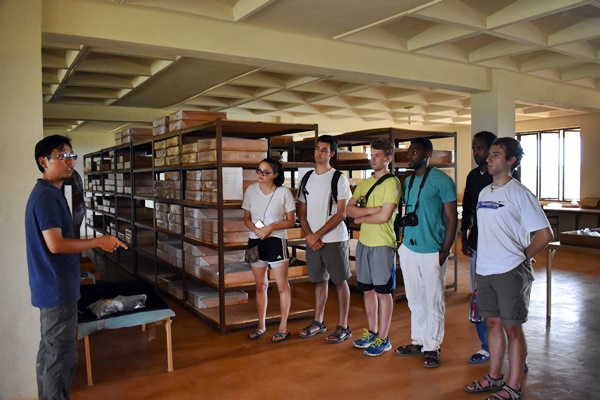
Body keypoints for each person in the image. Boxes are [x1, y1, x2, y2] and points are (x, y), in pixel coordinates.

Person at [26, 135, 127, 400]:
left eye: (71, 155)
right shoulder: (46, 197)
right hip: (56, 289)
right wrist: (99, 241)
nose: (70, 161)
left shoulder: (51, 194)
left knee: (50, 354)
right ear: (43, 162)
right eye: (61, 156)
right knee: (60, 359)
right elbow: (56, 244)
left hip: (53, 287)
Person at [464, 137, 552, 400]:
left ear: (511, 161)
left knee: (512, 328)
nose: (488, 158)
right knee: (492, 323)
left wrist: (522, 257)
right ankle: (494, 377)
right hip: (485, 270)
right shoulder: (484, 193)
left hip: (510, 271)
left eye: (496, 154)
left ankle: (513, 387)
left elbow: (544, 235)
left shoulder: (520, 193)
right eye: (489, 153)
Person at [395, 137, 457, 368]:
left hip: (433, 249)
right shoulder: (408, 181)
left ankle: (432, 346)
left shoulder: (442, 180)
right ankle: (419, 340)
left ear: (427, 154)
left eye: (415, 151)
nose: (409, 155)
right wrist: (401, 244)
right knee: (414, 298)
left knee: (433, 299)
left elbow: (452, 219)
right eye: (409, 151)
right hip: (409, 247)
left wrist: (444, 250)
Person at [346, 138, 401, 356]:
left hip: (382, 244)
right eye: (371, 155)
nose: (373, 159)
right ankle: (371, 331)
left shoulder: (392, 183)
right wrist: (372, 210)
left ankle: (384, 338)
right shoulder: (364, 184)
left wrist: (361, 218)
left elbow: (385, 216)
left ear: (388, 158)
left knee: (383, 293)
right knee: (367, 290)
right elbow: (349, 210)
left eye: (377, 155)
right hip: (364, 243)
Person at [297, 135, 353, 344]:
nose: (319, 153)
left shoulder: (339, 178)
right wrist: (310, 236)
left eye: (324, 150)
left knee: (340, 281)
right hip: (313, 240)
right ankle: (318, 322)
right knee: (319, 281)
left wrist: (316, 235)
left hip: (334, 239)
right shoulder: (306, 178)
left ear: (331, 154)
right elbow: (302, 213)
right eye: (317, 148)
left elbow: (341, 214)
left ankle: (343, 326)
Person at [242, 158, 296, 343]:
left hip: (276, 240)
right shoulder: (251, 190)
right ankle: (261, 325)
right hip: (254, 240)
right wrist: (256, 230)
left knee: (282, 286)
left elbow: (291, 221)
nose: (260, 175)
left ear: (275, 174)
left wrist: (270, 228)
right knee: (260, 285)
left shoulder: (284, 193)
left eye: (265, 172)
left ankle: (283, 327)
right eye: (259, 171)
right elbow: (247, 217)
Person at [461, 130, 497, 364]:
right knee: (479, 298)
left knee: (501, 301)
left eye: (480, 148)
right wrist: (464, 237)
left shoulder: (503, 177)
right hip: (477, 245)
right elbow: (468, 209)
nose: (476, 152)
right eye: (474, 148)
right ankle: (486, 346)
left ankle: (514, 352)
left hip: (499, 248)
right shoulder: (473, 176)